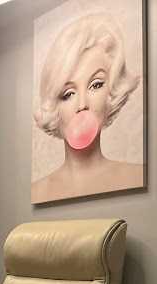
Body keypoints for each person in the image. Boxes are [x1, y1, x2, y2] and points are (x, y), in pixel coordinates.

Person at [33, 13, 143, 204]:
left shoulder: (137, 175)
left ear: (111, 91)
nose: (82, 104)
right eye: (68, 94)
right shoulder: (37, 192)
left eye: (96, 85)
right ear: (55, 106)